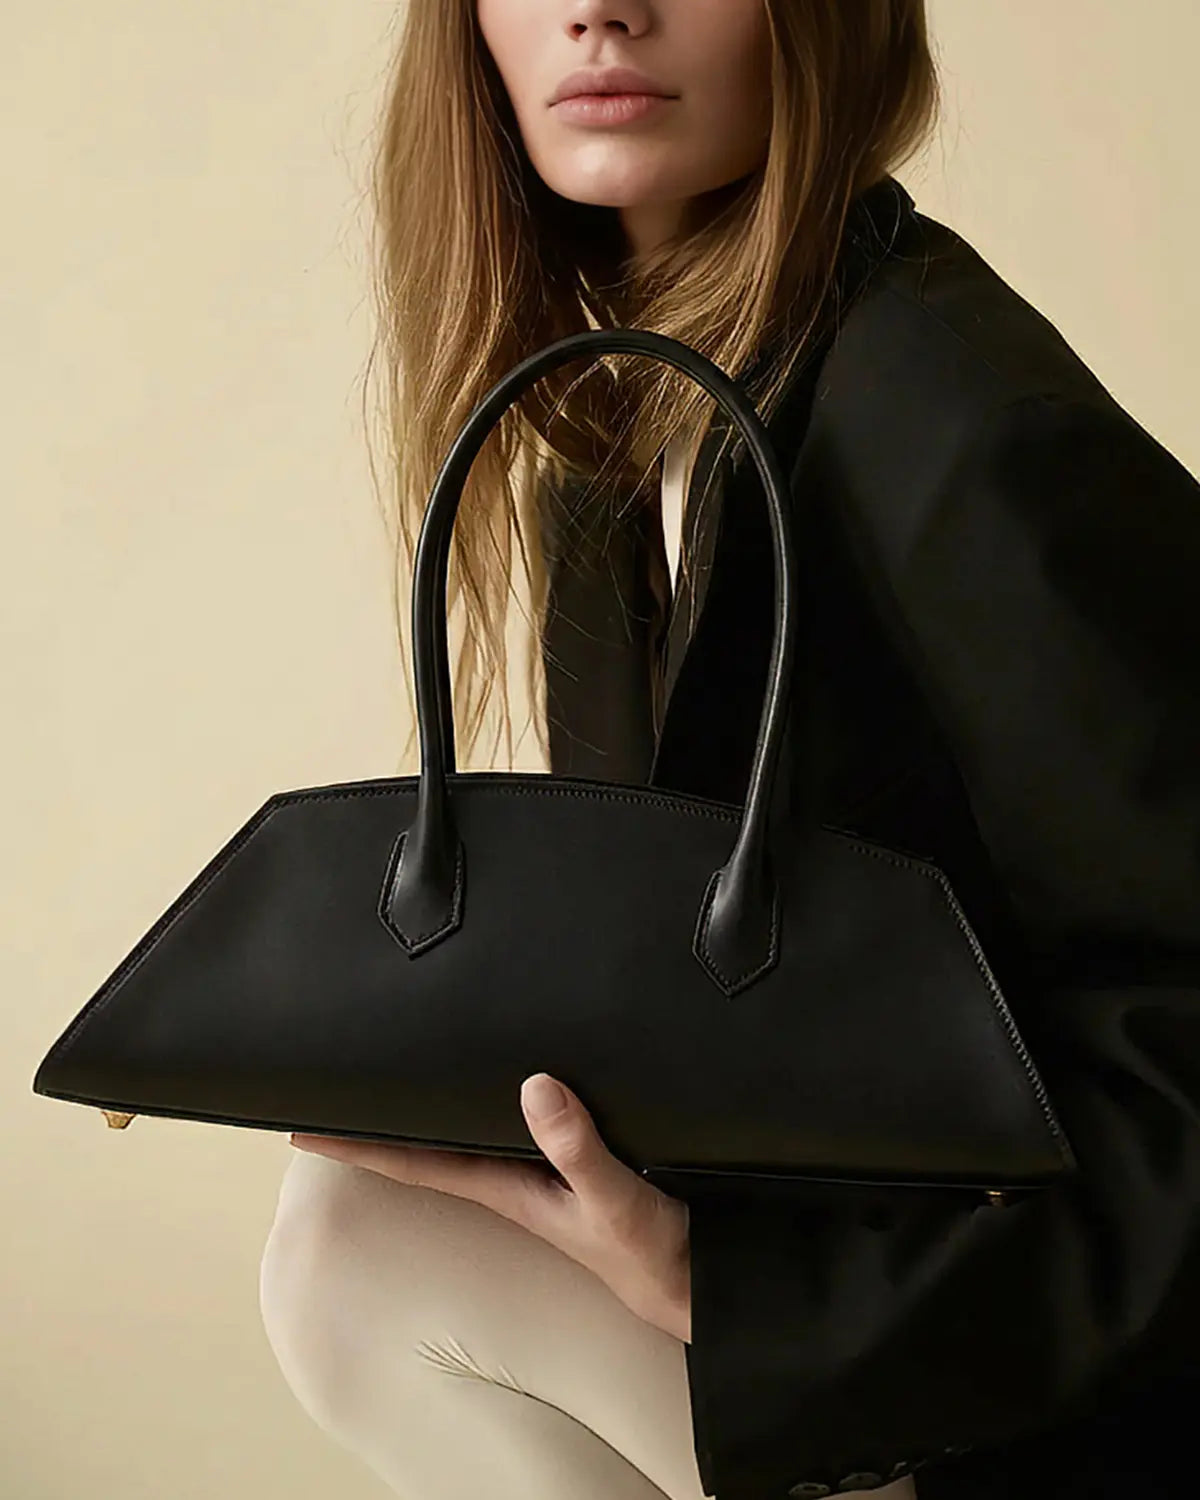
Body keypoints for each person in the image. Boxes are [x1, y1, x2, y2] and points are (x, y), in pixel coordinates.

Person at [258, 3, 1200, 1498]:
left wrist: (755, 1292)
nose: (598, 7)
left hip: (1032, 1372)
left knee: (357, 1257)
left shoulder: (956, 417)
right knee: (355, 1227)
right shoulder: (614, 428)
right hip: (876, 1304)